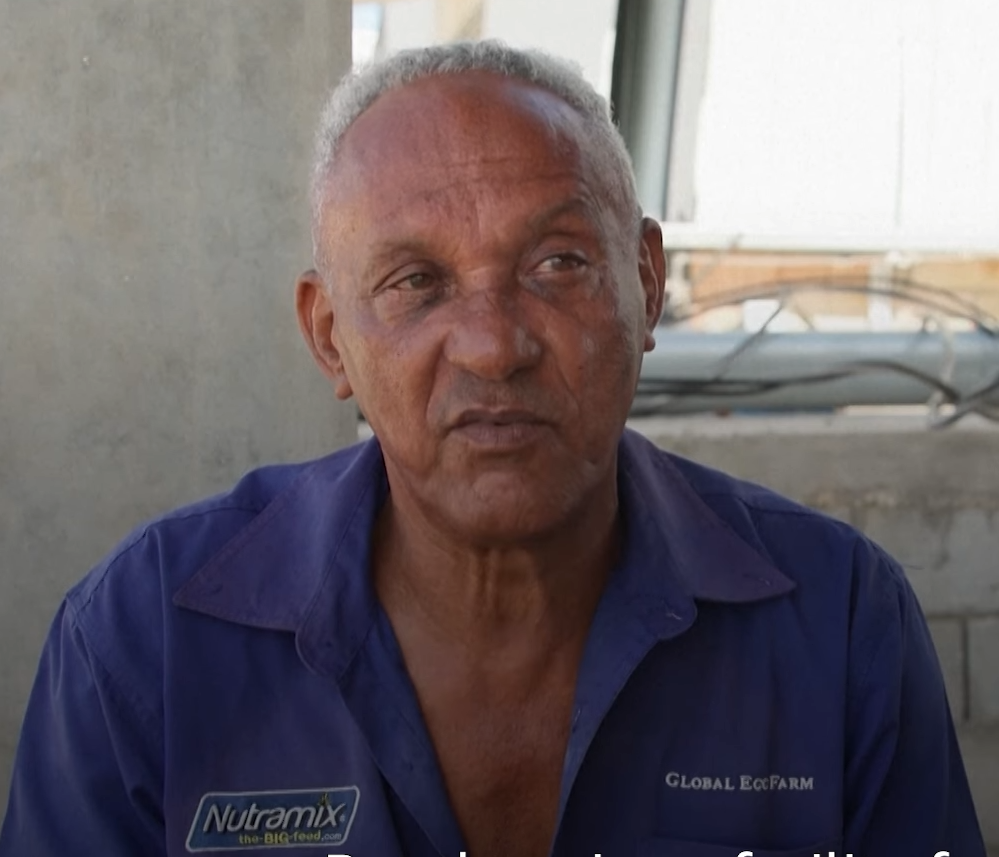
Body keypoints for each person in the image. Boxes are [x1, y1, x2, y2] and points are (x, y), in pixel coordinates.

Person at [0, 40, 985, 857]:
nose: (492, 344)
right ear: (328, 335)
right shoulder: (141, 642)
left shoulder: (838, 619)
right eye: (416, 283)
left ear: (645, 281)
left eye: (557, 263)